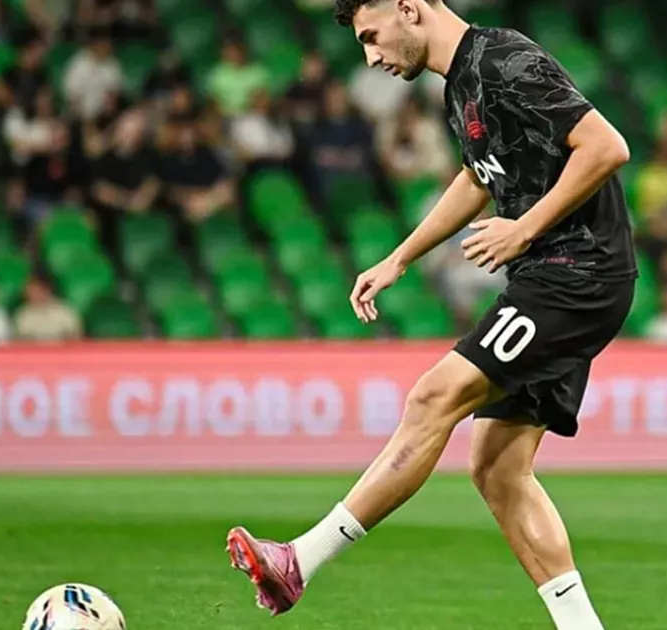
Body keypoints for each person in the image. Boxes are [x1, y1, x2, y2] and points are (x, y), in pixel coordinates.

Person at [224, 1, 635, 628]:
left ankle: (300, 560)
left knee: (432, 397)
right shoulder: (462, 82)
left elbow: (606, 146)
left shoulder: (504, 61)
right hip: (556, 274)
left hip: (576, 273)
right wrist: (400, 259)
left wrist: (524, 227)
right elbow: (478, 179)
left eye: (371, 36)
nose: (371, 57)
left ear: (408, 9)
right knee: (497, 470)